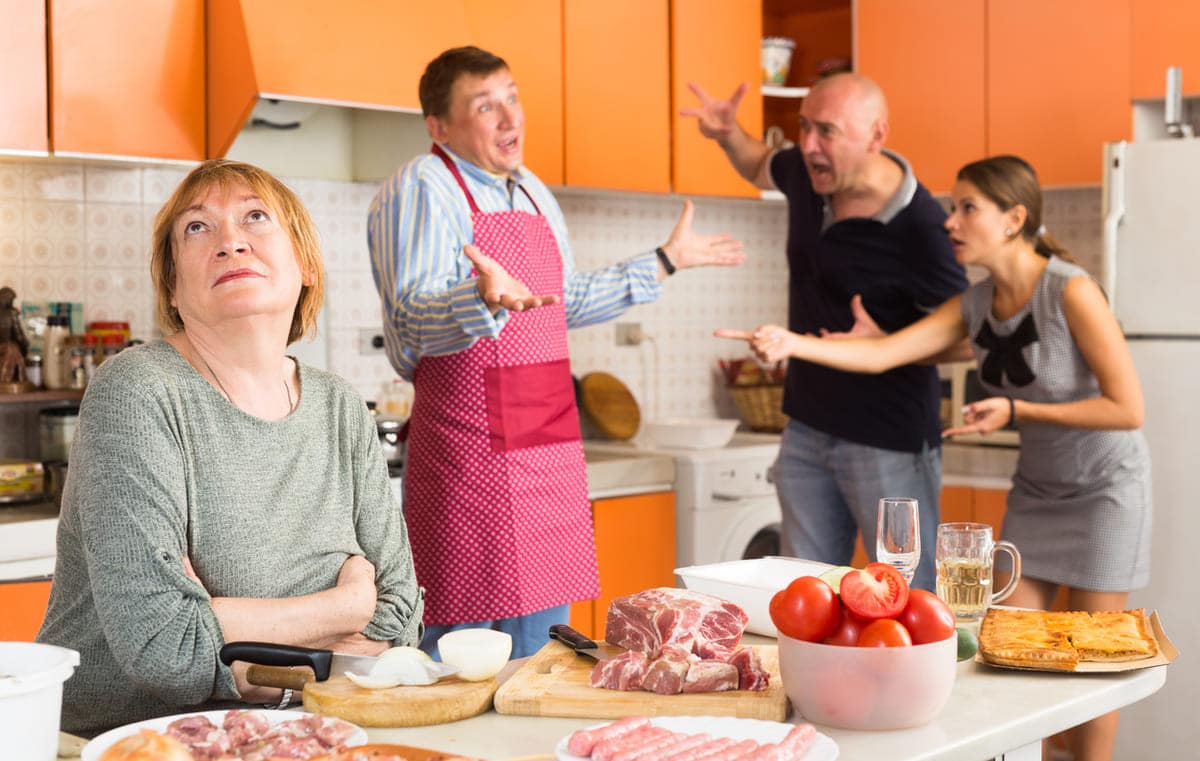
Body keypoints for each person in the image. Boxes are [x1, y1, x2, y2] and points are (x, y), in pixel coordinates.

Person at [720, 155, 1150, 761]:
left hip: (1107, 492)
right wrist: (789, 342)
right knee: (1010, 664)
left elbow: (1128, 409)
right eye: (952, 207)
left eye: (966, 208)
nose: (950, 222)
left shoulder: (1071, 291)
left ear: (1013, 219)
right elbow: (885, 355)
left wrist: (1017, 412)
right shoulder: (977, 303)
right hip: (1039, 491)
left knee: (1092, 675)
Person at [367, 46, 745, 658]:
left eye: (511, 97)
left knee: (546, 653)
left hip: (548, 445)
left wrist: (664, 261)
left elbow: (559, 302)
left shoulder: (535, 191)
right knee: (460, 652)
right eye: (484, 106)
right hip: (470, 449)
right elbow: (410, 319)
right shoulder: (421, 187)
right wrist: (480, 298)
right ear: (439, 125)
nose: (508, 118)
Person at [37, 159, 424, 735]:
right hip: (134, 742)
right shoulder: (137, 391)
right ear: (172, 284)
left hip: (297, 734)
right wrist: (344, 607)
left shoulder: (340, 405)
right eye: (197, 227)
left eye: (255, 217)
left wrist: (223, 627)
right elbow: (164, 648)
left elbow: (400, 621)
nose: (230, 242)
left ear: (307, 265)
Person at [682, 73, 967, 591]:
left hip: (888, 440)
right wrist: (728, 134)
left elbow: (968, 336)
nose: (809, 145)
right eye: (804, 127)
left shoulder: (920, 226)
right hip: (807, 427)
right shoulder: (804, 172)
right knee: (806, 599)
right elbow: (756, 163)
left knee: (910, 596)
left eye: (827, 132)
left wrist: (886, 346)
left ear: (876, 136)